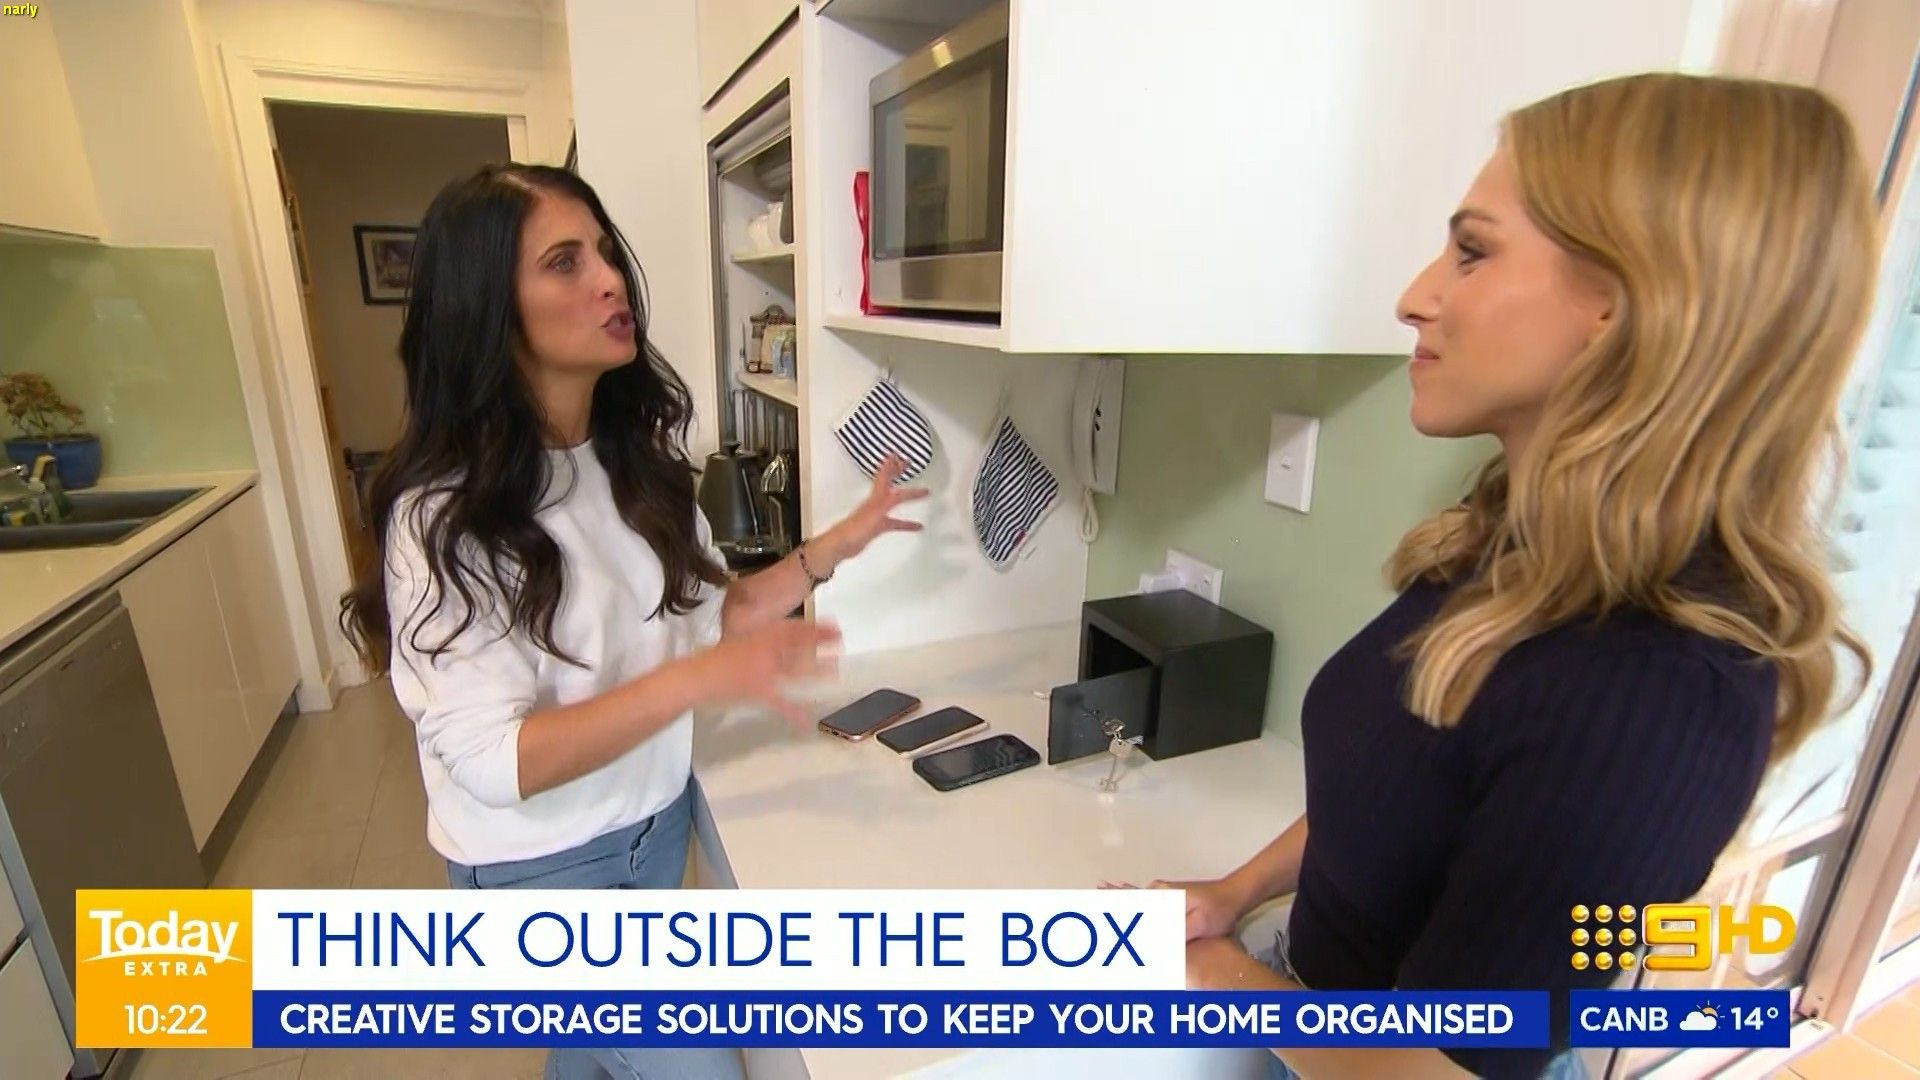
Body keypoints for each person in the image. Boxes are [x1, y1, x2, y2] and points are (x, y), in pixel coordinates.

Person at [1124, 74, 1878, 1079]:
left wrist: (1216, 973)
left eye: (1473, 252)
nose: (1416, 296)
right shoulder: (1516, 546)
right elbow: (1400, 790)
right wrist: (1234, 894)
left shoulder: (1659, 697)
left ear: (1627, 300)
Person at [340, 162, 926, 1080]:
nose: (611, 279)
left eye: (604, 252)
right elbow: (495, 762)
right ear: (489, 308)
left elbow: (705, 618)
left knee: (593, 1059)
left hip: (653, 827)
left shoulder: (634, 463)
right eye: (564, 262)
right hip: (543, 874)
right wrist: (696, 683)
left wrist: (830, 550)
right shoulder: (443, 516)